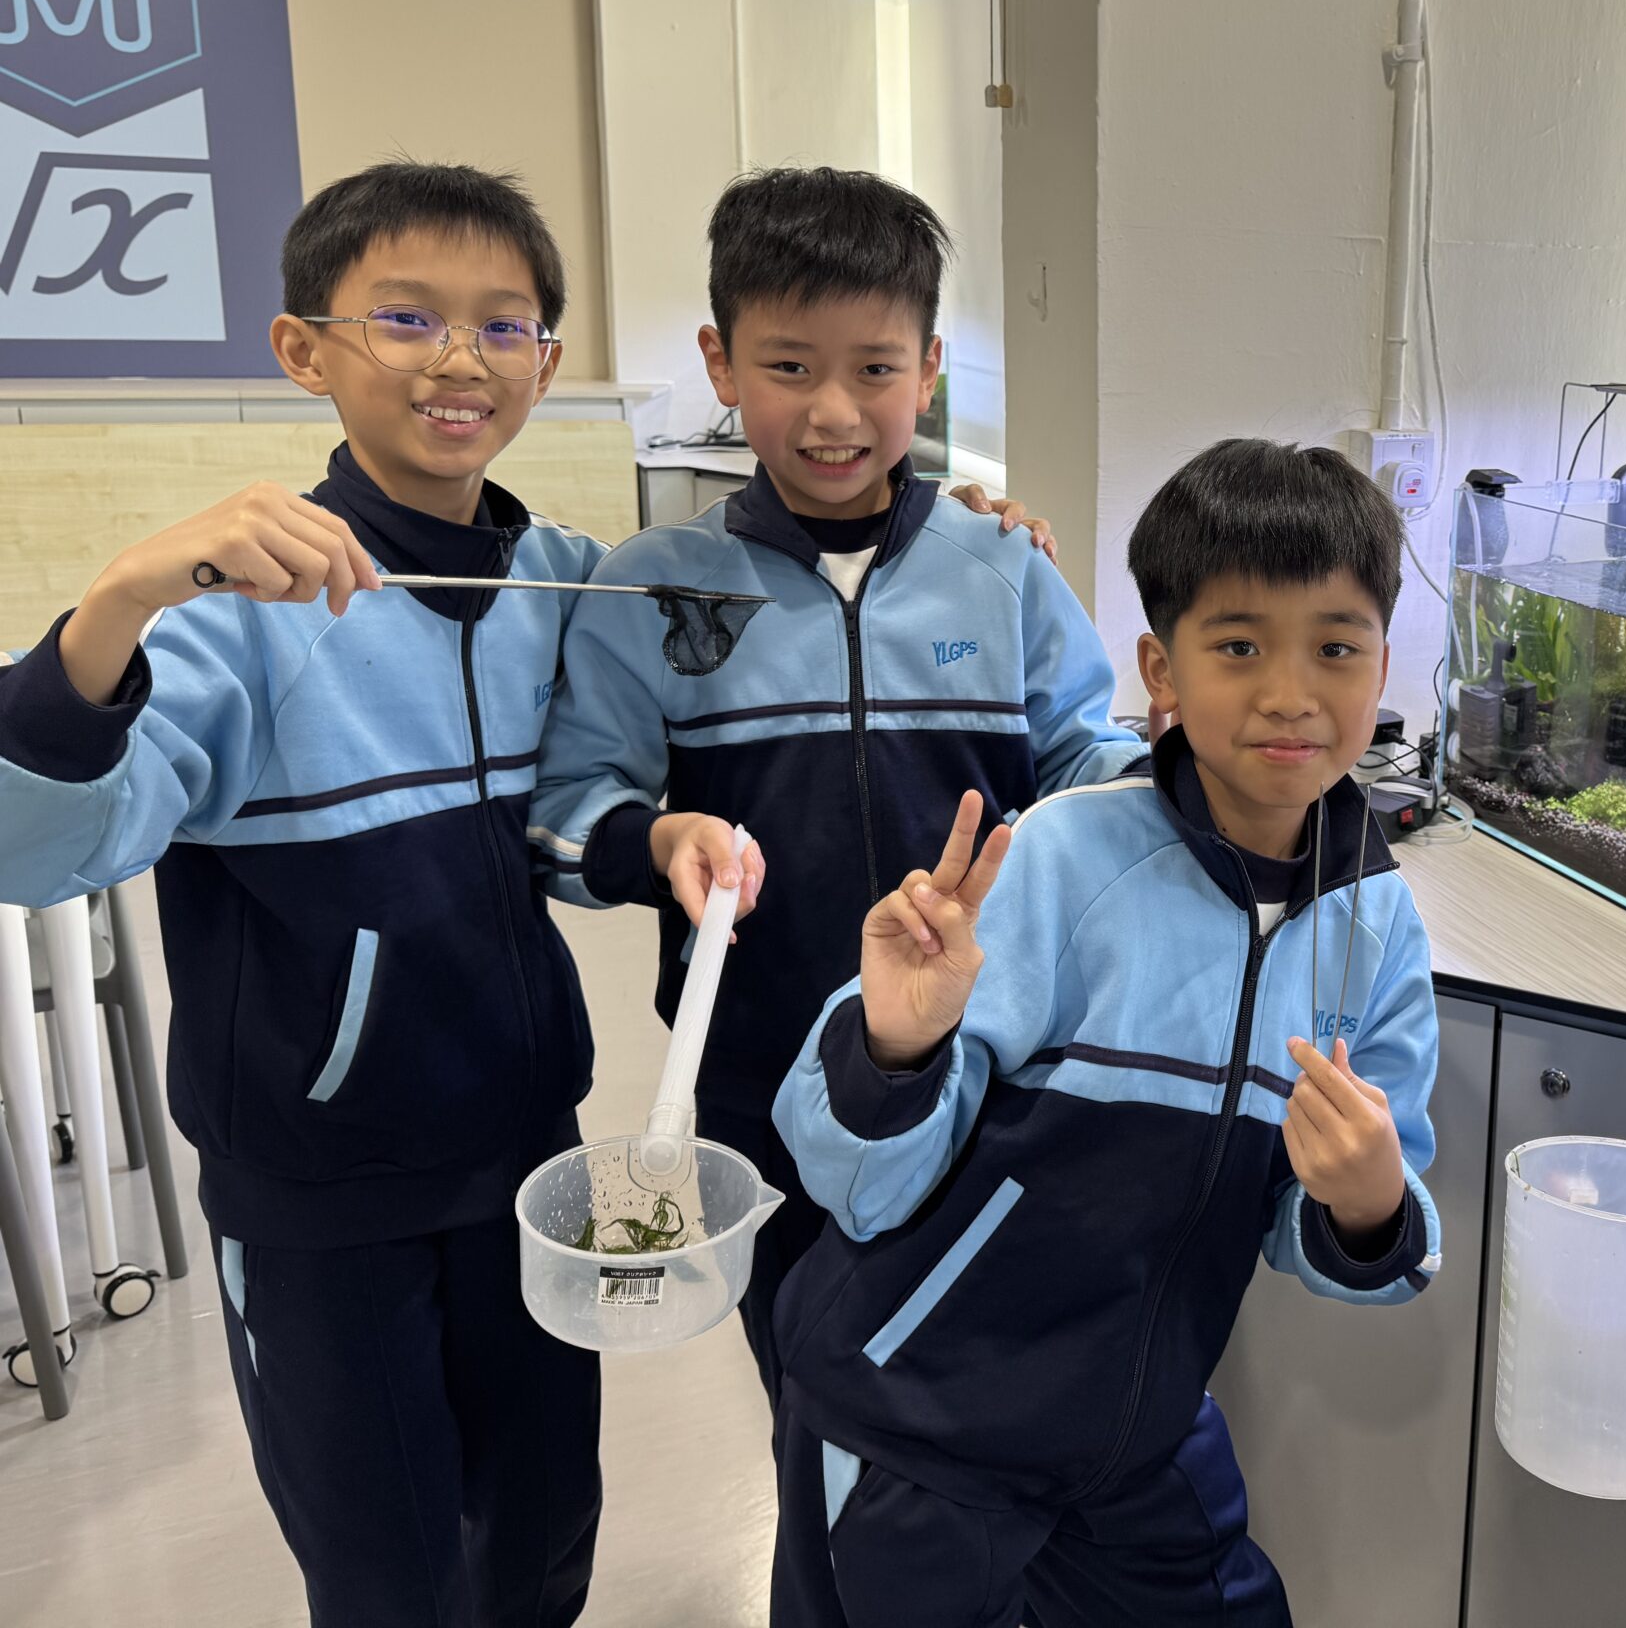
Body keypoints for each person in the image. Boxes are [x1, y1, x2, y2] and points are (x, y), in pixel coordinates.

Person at [0, 163, 609, 1627]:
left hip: (534, 1165)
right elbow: (38, 851)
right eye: (405, 317)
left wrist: (959, 531)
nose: (459, 359)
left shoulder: (571, 584)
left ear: (547, 363)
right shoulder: (234, 620)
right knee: (387, 1574)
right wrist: (119, 602)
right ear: (303, 348)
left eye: (503, 325)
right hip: (319, 1201)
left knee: (543, 1540)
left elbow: (697, 707)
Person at [761, 437, 1444, 1628]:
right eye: (1240, 646)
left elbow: (1349, 1236)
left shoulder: (1375, 926)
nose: (1291, 693)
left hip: (1132, 1432)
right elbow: (858, 1188)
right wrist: (898, 1049)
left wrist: (1371, 1202)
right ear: (1160, 670)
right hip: (917, 1420)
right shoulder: (1062, 857)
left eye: (1336, 648)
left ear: (1384, 664)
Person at [529, 167, 1141, 1405]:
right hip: (758, 1068)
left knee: (978, 1367)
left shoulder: (1003, 568)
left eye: (875, 369)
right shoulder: (654, 585)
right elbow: (565, 812)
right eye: (789, 366)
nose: (834, 411)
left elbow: (1085, 757)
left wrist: (1170, 782)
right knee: (809, 1372)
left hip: (987, 1055)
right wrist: (658, 840)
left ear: (928, 371)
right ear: (720, 363)